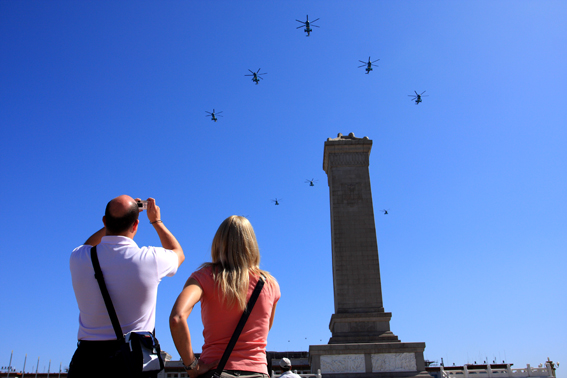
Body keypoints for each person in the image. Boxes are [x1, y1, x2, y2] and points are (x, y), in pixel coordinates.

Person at [68, 195, 184, 378]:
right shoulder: (150, 259)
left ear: (105, 221)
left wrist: (116, 221)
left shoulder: (79, 259)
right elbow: (178, 253)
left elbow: (88, 245)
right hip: (134, 359)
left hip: (87, 361)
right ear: (136, 225)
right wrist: (156, 221)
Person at [170, 215, 280, 378]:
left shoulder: (204, 277)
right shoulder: (270, 284)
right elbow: (263, 330)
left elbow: (177, 317)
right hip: (258, 371)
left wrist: (192, 366)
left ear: (218, 243)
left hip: (216, 371)